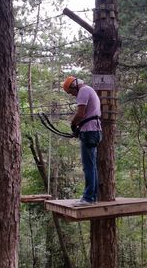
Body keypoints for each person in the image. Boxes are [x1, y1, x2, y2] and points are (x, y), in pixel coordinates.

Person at [62, 76, 102, 207]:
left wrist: (73, 124)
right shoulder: (89, 90)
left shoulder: (83, 91)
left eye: (71, 92)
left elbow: (80, 114)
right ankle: (92, 196)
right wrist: (78, 127)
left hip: (89, 132)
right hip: (93, 130)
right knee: (92, 166)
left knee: (88, 166)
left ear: (74, 86)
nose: (73, 95)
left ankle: (88, 198)